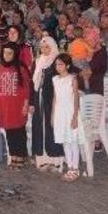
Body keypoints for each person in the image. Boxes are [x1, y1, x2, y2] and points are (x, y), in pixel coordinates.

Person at [0, 42, 31, 169]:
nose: (6, 55)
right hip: (4, 105)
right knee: (9, 131)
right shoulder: (0, 67)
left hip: (18, 105)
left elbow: (26, 88)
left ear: (15, 54)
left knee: (19, 131)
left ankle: (20, 156)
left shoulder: (20, 68)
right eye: (5, 52)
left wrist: (26, 104)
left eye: (9, 53)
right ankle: (13, 155)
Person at [31, 36, 64, 170]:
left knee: (52, 126)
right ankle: (42, 158)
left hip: (52, 99)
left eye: (47, 47)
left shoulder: (57, 61)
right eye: (42, 47)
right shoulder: (38, 61)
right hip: (39, 97)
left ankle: (55, 159)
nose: (44, 50)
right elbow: (33, 82)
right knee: (40, 126)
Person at [51, 53, 81, 181]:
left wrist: (75, 116)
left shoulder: (72, 79)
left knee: (73, 141)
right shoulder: (55, 79)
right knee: (64, 141)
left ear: (67, 65)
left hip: (69, 112)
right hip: (59, 113)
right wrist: (52, 115)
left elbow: (76, 98)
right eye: (56, 64)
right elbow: (55, 98)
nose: (58, 67)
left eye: (61, 64)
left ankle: (75, 168)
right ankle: (69, 166)